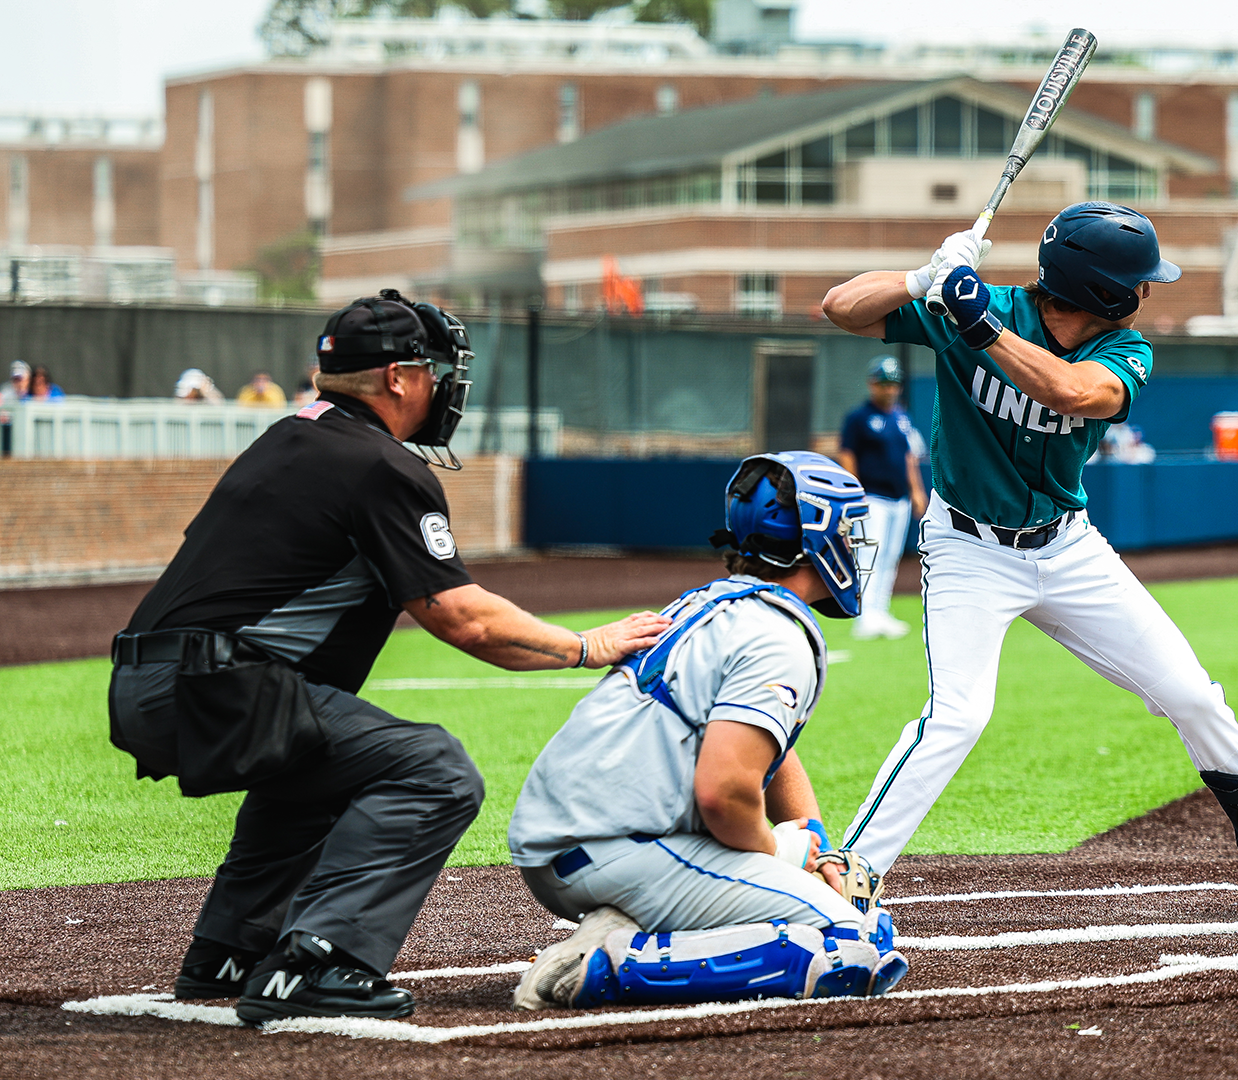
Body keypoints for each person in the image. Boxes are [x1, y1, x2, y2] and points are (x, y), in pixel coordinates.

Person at [109, 289, 671, 1025]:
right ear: (400, 378)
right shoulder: (378, 464)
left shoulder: (288, 437)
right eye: (435, 370)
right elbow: (463, 619)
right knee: (432, 770)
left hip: (149, 681)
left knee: (314, 769)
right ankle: (323, 959)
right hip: (219, 683)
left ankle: (230, 953)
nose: (443, 386)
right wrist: (586, 645)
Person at [820, 202, 1238, 916]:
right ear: (1104, 288)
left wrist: (980, 325)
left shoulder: (1123, 350)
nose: (1147, 292)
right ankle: (852, 873)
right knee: (959, 715)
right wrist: (923, 278)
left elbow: (1070, 391)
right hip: (967, 549)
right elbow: (839, 307)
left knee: (1192, 695)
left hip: (1067, 548)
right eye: (1139, 281)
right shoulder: (971, 305)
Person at [508, 451, 907, 1010]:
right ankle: (603, 965)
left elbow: (762, 749)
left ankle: (629, 921)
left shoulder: (713, 602)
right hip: (620, 847)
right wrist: (779, 853)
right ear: (812, 536)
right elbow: (723, 792)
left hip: (586, 840)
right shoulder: (775, 632)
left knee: (823, 898)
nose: (853, 540)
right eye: (845, 525)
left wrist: (812, 840)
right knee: (856, 943)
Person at [836, 354, 927, 640]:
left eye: (894, 384)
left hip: (898, 498)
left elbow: (909, 456)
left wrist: (916, 490)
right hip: (872, 498)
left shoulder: (901, 417)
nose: (889, 389)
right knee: (869, 556)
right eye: (883, 383)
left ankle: (881, 610)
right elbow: (847, 454)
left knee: (890, 557)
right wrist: (855, 493)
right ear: (872, 384)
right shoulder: (859, 418)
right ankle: (865, 616)